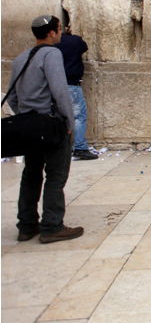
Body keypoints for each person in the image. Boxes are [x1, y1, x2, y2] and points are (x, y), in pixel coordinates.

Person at [6, 15, 83, 243]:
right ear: (52, 32)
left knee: (31, 174)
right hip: (50, 125)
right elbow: (60, 91)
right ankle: (52, 226)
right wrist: (68, 122)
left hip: (28, 126)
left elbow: (11, 96)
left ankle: (27, 225)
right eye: (59, 29)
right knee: (56, 175)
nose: (60, 33)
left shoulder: (20, 58)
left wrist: (25, 114)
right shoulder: (52, 54)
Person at [55, 24, 97, 160]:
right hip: (71, 85)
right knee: (78, 116)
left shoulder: (50, 46)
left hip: (54, 85)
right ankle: (80, 148)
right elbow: (84, 47)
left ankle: (57, 147)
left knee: (57, 116)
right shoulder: (75, 41)